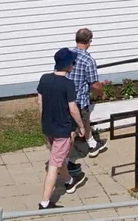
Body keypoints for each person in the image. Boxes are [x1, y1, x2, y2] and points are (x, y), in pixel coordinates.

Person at [35, 50, 86, 209]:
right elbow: (73, 109)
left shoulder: (44, 79)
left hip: (48, 128)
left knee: (58, 157)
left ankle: (69, 182)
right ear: (68, 65)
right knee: (53, 165)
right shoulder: (67, 84)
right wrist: (81, 126)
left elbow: (40, 103)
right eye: (72, 62)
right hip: (62, 131)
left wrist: (43, 122)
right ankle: (45, 203)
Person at [69, 28, 106, 159]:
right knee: (80, 124)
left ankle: (90, 143)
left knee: (78, 124)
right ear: (89, 41)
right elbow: (94, 84)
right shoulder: (88, 60)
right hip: (79, 100)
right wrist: (101, 94)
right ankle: (67, 158)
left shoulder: (67, 54)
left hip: (64, 97)